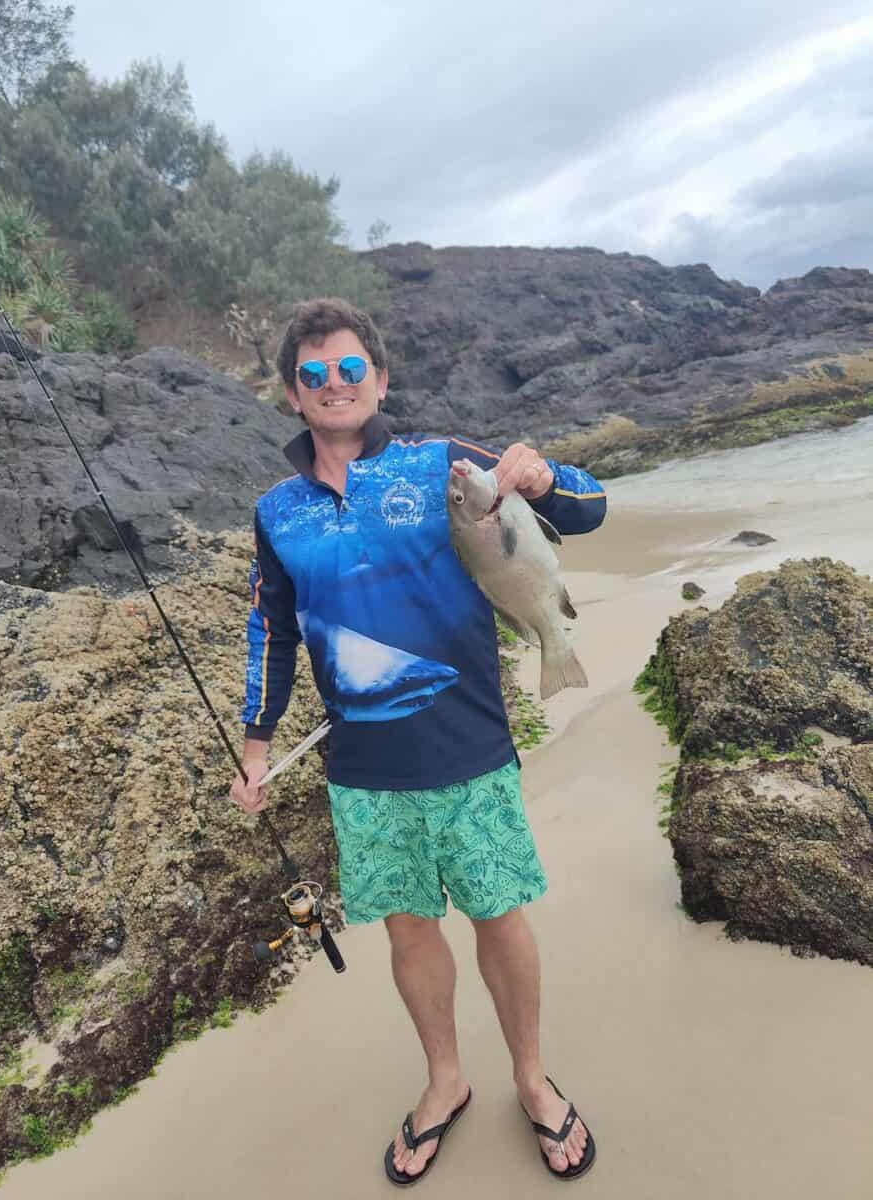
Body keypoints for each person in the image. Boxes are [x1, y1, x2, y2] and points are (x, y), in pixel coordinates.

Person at [230, 297, 607, 1184]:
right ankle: (446, 1082)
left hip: (467, 744)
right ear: (292, 394)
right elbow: (270, 629)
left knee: (498, 918)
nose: (334, 385)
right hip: (361, 768)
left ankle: (529, 1078)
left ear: (381, 379)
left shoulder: (445, 465)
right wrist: (256, 740)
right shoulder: (276, 511)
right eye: (314, 374)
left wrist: (545, 481)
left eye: (351, 368)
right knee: (408, 934)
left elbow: (587, 510)